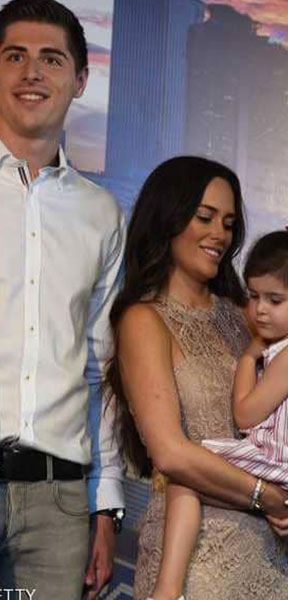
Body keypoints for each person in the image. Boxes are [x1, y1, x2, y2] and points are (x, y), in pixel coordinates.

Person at [104, 156, 288, 599]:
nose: (220, 234)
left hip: (266, 560)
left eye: (229, 223)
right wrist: (265, 495)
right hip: (192, 565)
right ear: (168, 218)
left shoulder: (248, 316)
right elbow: (171, 453)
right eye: (205, 217)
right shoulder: (144, 320)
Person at [147, 221, 288, 600]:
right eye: (254, 296)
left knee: (186, 475)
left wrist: (249, 357)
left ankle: (167, 592)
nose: (260, 310)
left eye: (274, 300)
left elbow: (246, 415)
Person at [0, 1, 123, 597]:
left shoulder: (101, 213)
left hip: (60, 504)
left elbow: (101, 367)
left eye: (51, 59)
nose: (32, 72)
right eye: (14, 56)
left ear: (80, 80)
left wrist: (106, 505)